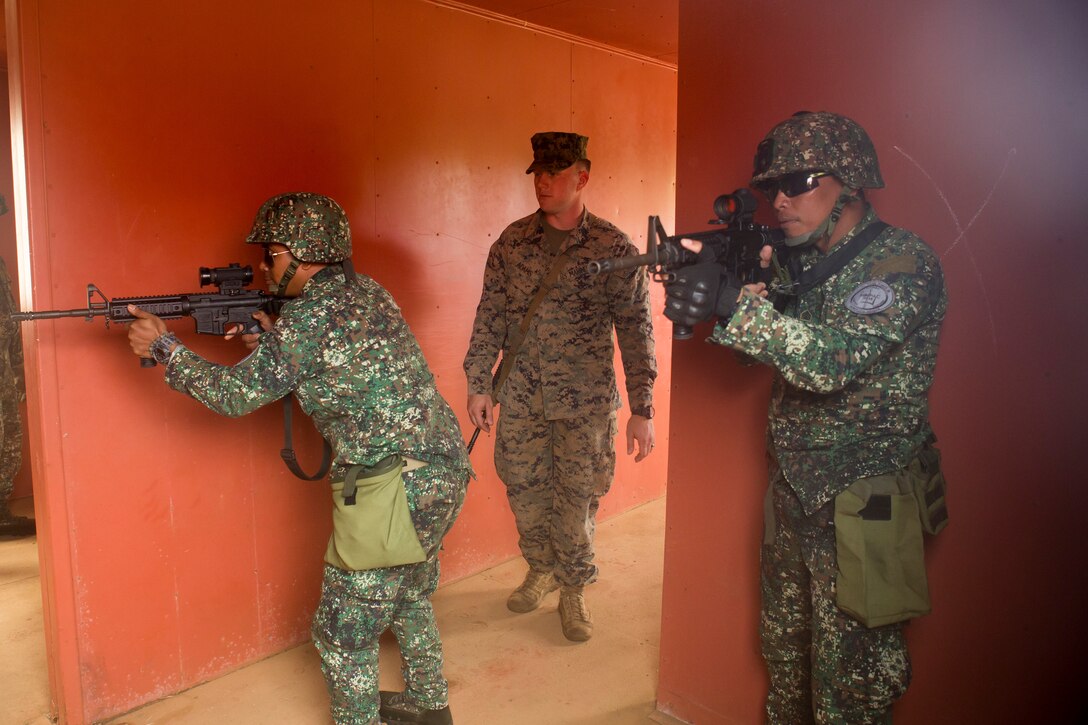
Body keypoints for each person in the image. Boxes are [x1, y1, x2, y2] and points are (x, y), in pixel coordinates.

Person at [127, 192, 471, 725]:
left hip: (392, 487)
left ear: (307, 254)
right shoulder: (367, 290)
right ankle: (431, 708)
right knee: (409, 596)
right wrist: (272, 344)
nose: (265, 266)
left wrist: (165, 349)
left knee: (342, 632)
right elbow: (337, 363)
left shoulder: (308, 319)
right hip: (442, 468)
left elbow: (235, 396)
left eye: (274, 254)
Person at [664, 112, 948, 723]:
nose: (780, 200)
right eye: (772, 187)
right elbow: (759, 357)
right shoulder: (799, 263)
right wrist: (729, 295)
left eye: (796, 183)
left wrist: (734, 305)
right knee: (785, 661)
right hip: (794, 490)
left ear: (849, 182)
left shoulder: (900, 263)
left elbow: (829, 363)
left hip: (862, 501)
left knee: (851, 687)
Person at [463, 132, 657, 642]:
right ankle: (542, 568)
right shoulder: (511, 243)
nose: (543, 183)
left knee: (577, 497)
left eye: (555, 173)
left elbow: (636, 329)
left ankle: (573, 587)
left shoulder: (613, 247)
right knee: (525, 491)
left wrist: (643, 408)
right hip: (521, 396)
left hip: (585, 402)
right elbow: (489, 316)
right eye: (539, 173)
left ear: (582, 177)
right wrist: (479, 384)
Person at [0, 194, 35, 539]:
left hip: (4, 368)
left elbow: (8, 316)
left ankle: (0, 510)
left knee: (9, 435)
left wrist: (19, 367)